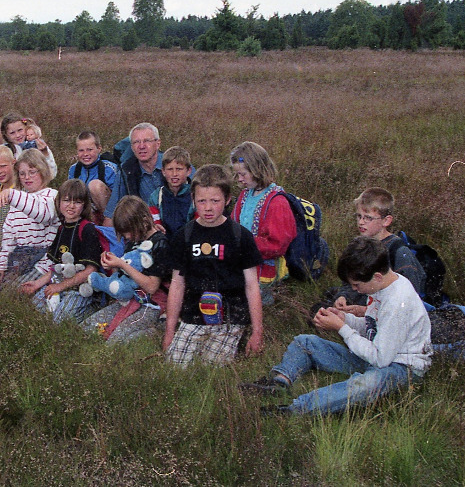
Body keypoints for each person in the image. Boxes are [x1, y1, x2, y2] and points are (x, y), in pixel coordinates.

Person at [244, 236, 432, 416]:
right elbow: (372, 327)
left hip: (400, 367)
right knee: (305, 343)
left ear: (377, 276)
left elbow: (380, 359)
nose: (354, 290)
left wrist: (341, 327)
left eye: (357, 285)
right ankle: (279, 383)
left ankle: (297, 409)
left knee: (366, 384)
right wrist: (344, 318)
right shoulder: (383, 285)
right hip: (376, 354)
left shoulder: (398, 301)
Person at [163, 164, 264, 367]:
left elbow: (252, 286)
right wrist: (170, 331)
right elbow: (177, 284)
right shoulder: (184, 236)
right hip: (194, 312)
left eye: (215, 201)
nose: (208, 208)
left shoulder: (240, 236)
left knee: (212, 367)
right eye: (201, 201)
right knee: (176, 365)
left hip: (231, 315)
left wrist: (257, 331)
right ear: (193, 201)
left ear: (227, 200)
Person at [83, 195, 172, 343]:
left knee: (116, 341)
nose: (128, 236)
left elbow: (151, 286)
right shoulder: (132, 241)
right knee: (87, 328)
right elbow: (125, 279)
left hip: (152, 305)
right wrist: (113, 265)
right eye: (124, 233)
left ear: (143, 221)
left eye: (130, 231)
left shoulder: (159, 244)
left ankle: (155, 331)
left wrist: (122, 264)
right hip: (129, 299)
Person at [326, 187, 426, 315]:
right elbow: (350, 280)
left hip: (386, 314)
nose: (361, 222)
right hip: (361, 301)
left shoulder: (399, 252)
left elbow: (409, 300)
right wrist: (343, 297)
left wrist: (367, 312)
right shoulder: (360, 244)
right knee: (322, 308)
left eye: (368, 218)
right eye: (359, 216)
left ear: (386, 221)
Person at [19, 179, 103, 323]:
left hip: (81, 289)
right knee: (34, 312)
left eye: (77, 202)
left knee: (58, 320)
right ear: (58, 202)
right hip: (61, 284)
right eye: (66, 200)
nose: (71, 206)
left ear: (84, 205)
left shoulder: (87, 229)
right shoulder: (62, 228)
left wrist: (60, 286)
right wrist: (37, 283)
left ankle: (92, 309)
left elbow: (91, 270)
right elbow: (57, 267)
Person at [230, 141, 296, 305]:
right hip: (243, 265)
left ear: (257, 170)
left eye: (243, 174)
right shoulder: (245, 196)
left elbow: (278, 244)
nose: (240, 179)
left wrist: (245, 244)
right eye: (237, 175)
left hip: (265, 272)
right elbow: (233, 224)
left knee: (250, 304)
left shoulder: (276, 202)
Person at [0, 149, 59, 284]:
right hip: (19, 260)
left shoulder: (53, 196)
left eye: (32, 172)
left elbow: (43, 214)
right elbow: (8, 242)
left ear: (43, 171)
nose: (27, 177)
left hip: (44, 263)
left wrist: (12, 194)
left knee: (16, 292)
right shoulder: (16, 204)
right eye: (22, 174)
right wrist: (0, 268)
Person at [104, 122, 165, 226]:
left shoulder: (174, 164)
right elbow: (112, 213)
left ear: (158, 144)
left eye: (147, 141)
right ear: (131, 147)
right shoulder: (126, 170)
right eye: (136, 142)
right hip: (143, 227)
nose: (141, 146)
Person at [67, 130, 118, 225]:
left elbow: (118, 196)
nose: (85, 154)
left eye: (90, 150)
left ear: (99, 149)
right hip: (85, 209)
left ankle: (108, 224)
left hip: (109, 211)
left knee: (94, 185)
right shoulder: (74, 170)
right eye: (81, 150)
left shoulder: (109, 168)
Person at [148, 146, 194, 239]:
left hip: (189, 242)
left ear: (188, 171)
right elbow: (154, 221)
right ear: (163, 171)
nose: (174, 174)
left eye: (179, 169)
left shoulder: (195, 195)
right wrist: (156, 226)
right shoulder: (156, 196)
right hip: (165, 242)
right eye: (170, 169)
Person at [0, 112, 57, 179]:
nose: (18, 135)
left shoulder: (38, 145)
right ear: (6, 135)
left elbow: (52, 174)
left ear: (26, 128)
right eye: (12, 133)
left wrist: (45, 154)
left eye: (20, 130)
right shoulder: (4, 151)